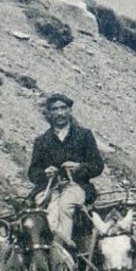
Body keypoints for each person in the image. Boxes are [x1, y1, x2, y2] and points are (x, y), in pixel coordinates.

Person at [26, 93, 105, 251]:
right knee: (44, 209)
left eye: (63, 108)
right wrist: (45, 173)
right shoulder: (42, 141)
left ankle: (63, 248)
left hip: (77, 186)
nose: (60, 113)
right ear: (49, 113)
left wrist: (79, 167)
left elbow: (97, 165)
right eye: (55, 109)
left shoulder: (84, 136)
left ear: (70, 111)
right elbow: (32, 173)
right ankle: (41, 249)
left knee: (65, 205)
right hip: (50, 188)